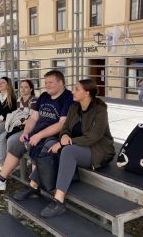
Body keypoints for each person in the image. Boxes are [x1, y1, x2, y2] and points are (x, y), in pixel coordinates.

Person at [0, 70, 73, 190]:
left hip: (54, 135)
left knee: (40, 147)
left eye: (50, 82)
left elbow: (62, 124)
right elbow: (33, 118)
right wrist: (26, 132)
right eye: (45, 82)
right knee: (15, 141)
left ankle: (35, 187)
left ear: (61, 82)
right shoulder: (44, 96)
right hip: (37, 131)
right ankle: (1, 180)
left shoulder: (68, 97)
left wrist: (39, 135)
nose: (47, 85)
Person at [37, 79, 115, 217]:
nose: (72, 91)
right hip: (78, 147)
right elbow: (65, 128)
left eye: (77, 89)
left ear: (87, 93)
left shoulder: (100, 110)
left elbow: (94, 137)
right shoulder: (74, 107)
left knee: (67, 150)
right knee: (50, 145)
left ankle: (59, 200)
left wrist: (65, 143)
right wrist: (65, 136)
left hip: (98, 150)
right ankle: (34, 185)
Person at [0, 80, 37, 177]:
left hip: (29, 128)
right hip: (18, 126)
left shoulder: (34, 100)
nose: (23, 89)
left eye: (26, 87)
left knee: (8, 138)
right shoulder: (19, 100)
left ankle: (11, 164)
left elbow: (30, 117)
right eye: (21, 87)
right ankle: (2, 164)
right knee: (2, 137)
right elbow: (20, 115)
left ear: (31, 89)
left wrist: (20, 118)